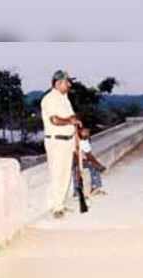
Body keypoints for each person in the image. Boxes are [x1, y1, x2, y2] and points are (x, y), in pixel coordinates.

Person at [41, 70, 83, 219]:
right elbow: (55, 120)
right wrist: (70, 121)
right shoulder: (50, 99)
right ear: (58, 83)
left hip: (67, 140)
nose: (69, 84)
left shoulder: (64, 98)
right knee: (57, 173)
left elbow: (71, 116)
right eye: (67, 82)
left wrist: (75, 135)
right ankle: (56, 207)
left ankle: (61, 204)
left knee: (66, 174)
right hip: (56, 141)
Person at [73, 128, 107, 197]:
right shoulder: (83, 142)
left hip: (77, 161)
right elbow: (89, 156)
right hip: (80, 161)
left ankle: (77, 191)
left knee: (78, 172)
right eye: (85, 132)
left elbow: (87, 155)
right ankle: (95, 187)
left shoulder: (80, 141)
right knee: (94, 168)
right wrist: (98, 165)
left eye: (87, 132)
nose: (87, 133)